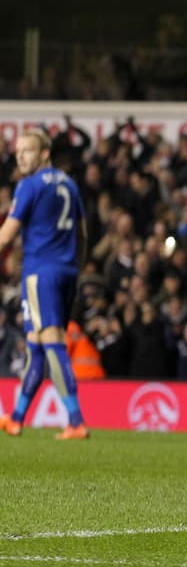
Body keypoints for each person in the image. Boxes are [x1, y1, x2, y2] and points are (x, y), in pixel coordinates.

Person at [0, 129, 90, 439]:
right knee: (37, 345)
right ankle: (16, 418)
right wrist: (74, 267)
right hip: (66, 271)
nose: (20, 156)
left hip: (41, 272)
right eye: (18, 150)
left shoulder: (29, 186)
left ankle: (76, 421)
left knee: (51, 342)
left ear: (44, 154)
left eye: (27, 150)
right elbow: (82, 234)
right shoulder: (69, 184)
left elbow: (6, 235)